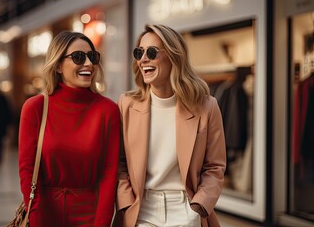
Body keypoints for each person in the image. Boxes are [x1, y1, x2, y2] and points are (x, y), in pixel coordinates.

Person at [114, 24, 226, 227]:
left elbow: (215, 166)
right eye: (139, 53)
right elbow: (119, 162)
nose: (143, 59)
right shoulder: (126, 104)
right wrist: (125, 202)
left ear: (175, 56)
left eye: (152, 52)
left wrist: (199, 205)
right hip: (141, 209)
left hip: (185, 208)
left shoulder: (207, 106)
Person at [18, 31, 120, 227]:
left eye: (93, 57)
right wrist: (38, 221)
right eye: (78, 57)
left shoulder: (108, 110)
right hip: (45, 214)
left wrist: (102, 224)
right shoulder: (35, 108)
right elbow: (28, 172)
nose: (89, 64)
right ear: (57, 65)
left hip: (91, 217)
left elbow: (109, 175)